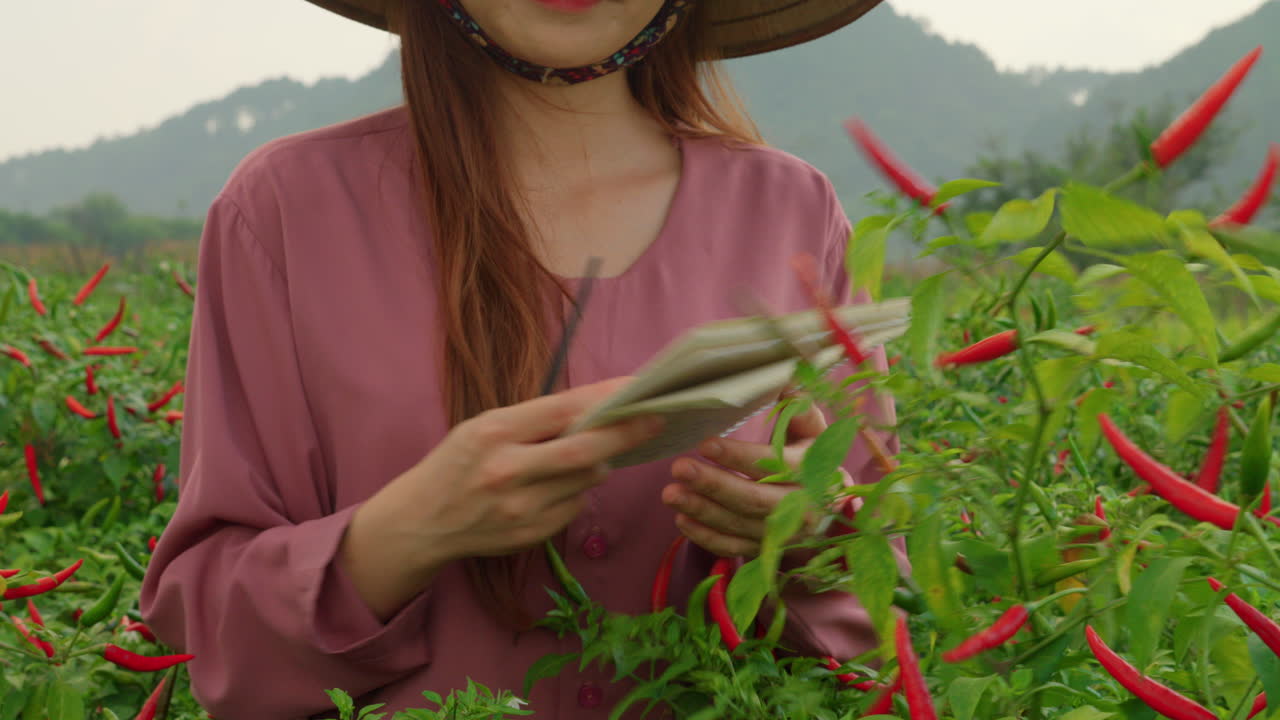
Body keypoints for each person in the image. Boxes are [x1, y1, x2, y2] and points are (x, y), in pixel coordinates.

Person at [138, 1, 901, 718]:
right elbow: (205, 627)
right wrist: (405, 531)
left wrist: (811, 537)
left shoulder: (791, 210)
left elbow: (885, 608)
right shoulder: (286, 211)